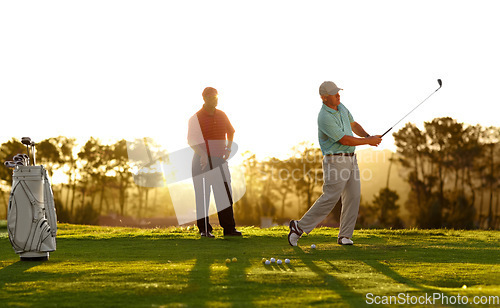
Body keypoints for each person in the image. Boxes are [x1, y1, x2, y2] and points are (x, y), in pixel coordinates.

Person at [288, 81, 382, 246]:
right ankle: (299, 227)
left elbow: (353, 125)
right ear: (324, 98)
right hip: (335, 160)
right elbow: (344, 139)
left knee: (353, 196)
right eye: (334, 93)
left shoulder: (342, 107)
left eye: (338, 92)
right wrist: (368, 142)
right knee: (331, 197)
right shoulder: (323, 117)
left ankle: (344, 235)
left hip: (351, 158)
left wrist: (368, 136)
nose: (338, 95)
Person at [188, 87, 241, 238]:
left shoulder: (222, 115)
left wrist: (228, 149)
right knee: (203, 195)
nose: (215, 100)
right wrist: (203, 154)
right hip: (201, 162)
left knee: (224, 194)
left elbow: (231, 131)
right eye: (212, 97)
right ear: (204, 98)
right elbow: (191, 140)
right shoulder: (195, 118)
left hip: (219, 160)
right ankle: (205, 230)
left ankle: (229, 229)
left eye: (216, 97)